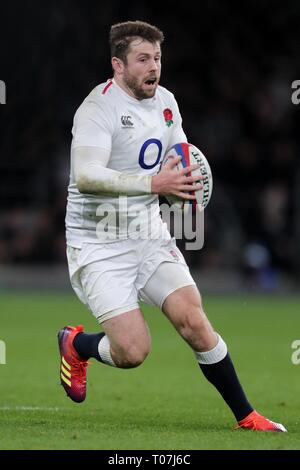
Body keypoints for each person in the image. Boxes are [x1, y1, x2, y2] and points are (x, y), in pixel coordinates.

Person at [59, 20, 286, 432]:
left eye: (158, 58)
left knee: (194, 321)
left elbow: (179, 145)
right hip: (98, 242)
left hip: (146, 232)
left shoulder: (165, 100)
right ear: (118, 65)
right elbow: (86, 174)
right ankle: (76, 344)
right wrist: (155, 183)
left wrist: (185, 181)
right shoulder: (97, 109)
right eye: (143, 59)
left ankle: (247, 416)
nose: (154, 67)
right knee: (132, 351)